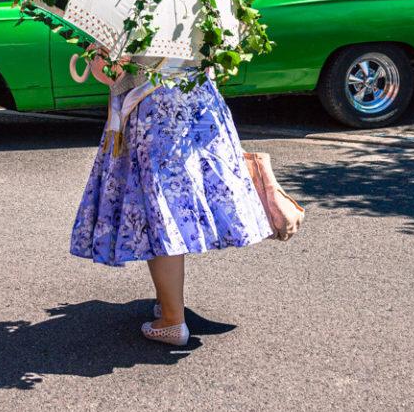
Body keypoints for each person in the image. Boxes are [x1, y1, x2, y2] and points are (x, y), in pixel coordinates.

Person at [69, 50, 274, 347]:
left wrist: (94, 58)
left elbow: (112, 74)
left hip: (155, 111)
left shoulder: (136, 5)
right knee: (183, 204)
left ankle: (171, 319)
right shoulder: (205, 2)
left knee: (159, 211)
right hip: (200, 100)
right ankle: (169, 299)